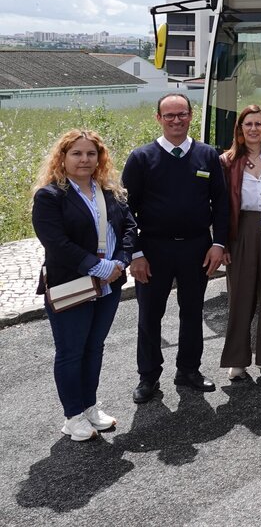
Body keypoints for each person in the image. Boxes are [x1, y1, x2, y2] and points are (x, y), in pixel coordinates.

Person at [124, 93, 229, 404]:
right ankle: (148, 376)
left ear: (190, 116)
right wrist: (136, 253)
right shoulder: (142, 157)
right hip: (153, 249)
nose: (175, 120)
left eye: (181, 114)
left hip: (197, 248)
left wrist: (218, 244)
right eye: (168, 115)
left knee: (193, 311)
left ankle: (188, 369)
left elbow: (221, 203)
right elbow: (125, 210)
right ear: (158, 118)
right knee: (149, 315)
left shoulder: (207, 155)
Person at [32, 130, 136, 441]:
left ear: (99, 158)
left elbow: (129, 227)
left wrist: (120, 262)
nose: (85, 159)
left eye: (91, 153)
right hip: (72, 284)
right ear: (62, 158)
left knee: (94, 347)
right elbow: (56, 242)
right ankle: (72, 415)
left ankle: (90, 407)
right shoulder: (50, 196)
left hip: (109, 284)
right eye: (77, 153)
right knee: (70, 351)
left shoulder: (109, 191)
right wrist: (99, 265)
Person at [219, 105, 261, 381]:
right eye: (248, 124)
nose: (253, 129)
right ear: (240, 129)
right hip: (242, 229)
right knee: (241, 296)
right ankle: (237, 359)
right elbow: (222, 204)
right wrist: (222, 242)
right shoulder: (227, 161)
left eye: (259, 124)